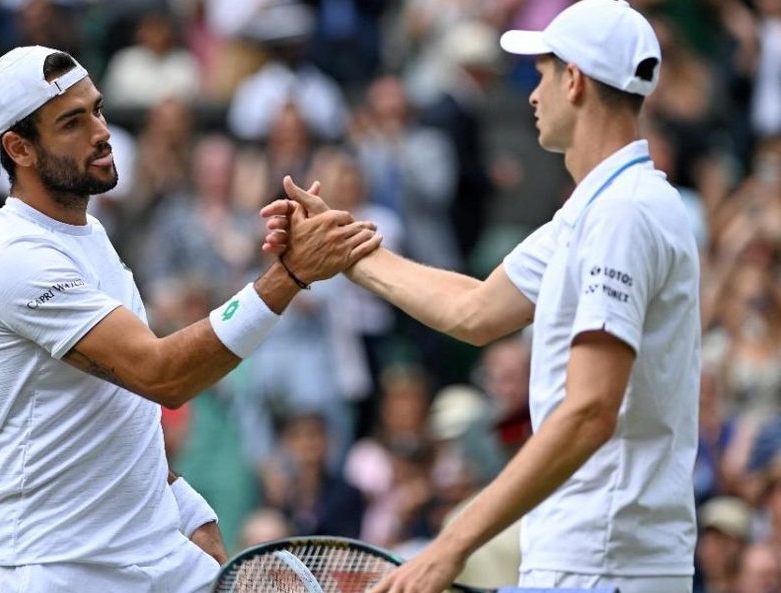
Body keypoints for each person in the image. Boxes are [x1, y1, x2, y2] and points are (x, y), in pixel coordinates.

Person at [263, 2, 702, 592]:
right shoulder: (600, 210)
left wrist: (454, 543)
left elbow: (591, 412)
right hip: (590, 560)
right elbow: (474, 310)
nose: (531, 94)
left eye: (542, 73)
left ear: (572, 80)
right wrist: (342, 249)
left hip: (604, 564)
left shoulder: (621, 215)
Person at [0, 45, 381, 593]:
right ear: (19, 148)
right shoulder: (14, 256)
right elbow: (162, 376)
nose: (101, 132)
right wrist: (288, 277)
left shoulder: (91, 238)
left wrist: (186, 508)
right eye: (72, 122)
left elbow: (116, 411)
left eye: (98, 109)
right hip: (50, 568)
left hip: (148, 554)